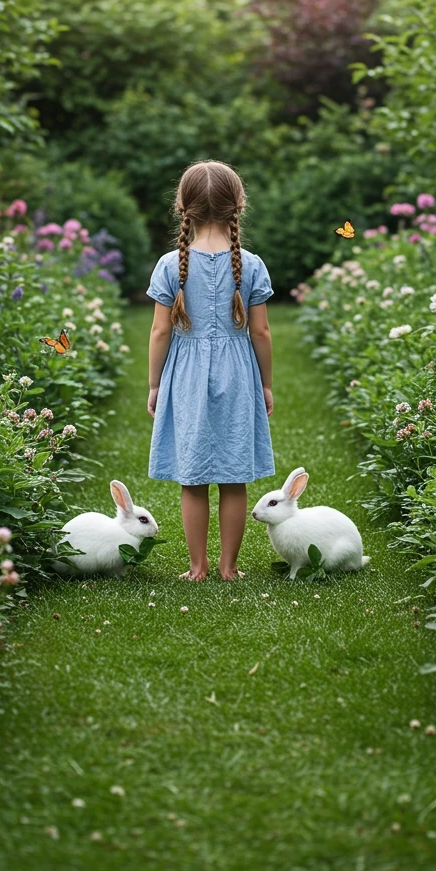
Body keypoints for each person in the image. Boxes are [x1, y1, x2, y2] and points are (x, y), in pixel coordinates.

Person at [147, 160, 274, 580]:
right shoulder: (252, 264)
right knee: (235, 475)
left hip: (185, 374)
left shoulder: (170, 265)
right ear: (238, 204)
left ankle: (197, 567)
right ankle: (229, 568)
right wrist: (266, 385)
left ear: (181, 205)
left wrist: (154, 384)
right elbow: (262, 333)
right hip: (239, 374)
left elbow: (160, 332)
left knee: (193, 476)